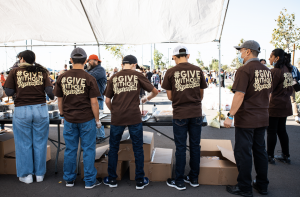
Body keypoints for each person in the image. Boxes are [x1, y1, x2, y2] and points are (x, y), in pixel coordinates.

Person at [224, 40, 271, 196]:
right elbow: (268, 95)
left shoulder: (244, 70)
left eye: (241, 50)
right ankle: (262, 185)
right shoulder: (266, 70)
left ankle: (244, 187)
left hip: (247, 119)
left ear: (248, 52)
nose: (240, 53)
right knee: (260, 151)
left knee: (243, 153)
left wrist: (230, 116)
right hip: (262, 117)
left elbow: (239, 94)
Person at [104, 55, 158, 189]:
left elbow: (106, 101)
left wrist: (114, 111)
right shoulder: (137, 75)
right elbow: (155, 91)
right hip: (134, 116)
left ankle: (112, 179)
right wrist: (146, 98)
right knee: (138, 148)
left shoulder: (114, 77)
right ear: (134, 64)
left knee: (114, 148)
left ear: (123, 64)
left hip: (117, 117)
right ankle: (139, 180)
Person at [53, 48, 102, 189]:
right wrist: (97, 120)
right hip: (87, 119)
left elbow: (59, 100)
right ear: (86, 61)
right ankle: (89, 181)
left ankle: (69, 179)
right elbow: (94, 102)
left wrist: (62, 114)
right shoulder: (89, 78)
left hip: (69, 119)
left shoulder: (62, 77)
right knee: (88, 149)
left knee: (70, 149)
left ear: (71, 60)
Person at [4, 50, 54, 184]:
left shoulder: (15, 71)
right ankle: (39, 174)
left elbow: (8, 91)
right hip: (40, 109)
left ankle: (26, 175)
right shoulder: (42, 71)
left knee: (23, 143)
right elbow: (50, 92)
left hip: (22, 110)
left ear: (22, 59)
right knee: (40, 142)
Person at [162, 46, 207, 190]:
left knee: (180, 147)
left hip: (180, 113)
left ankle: (179, 180)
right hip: (196, 113)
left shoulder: (170, 72)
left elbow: (169, 96)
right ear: (188, 55)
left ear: (174, 56)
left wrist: (181, 97)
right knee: (195, 146)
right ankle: (194, 178)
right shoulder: (197, 70)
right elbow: (201, 95)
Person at [267, 49, 293, 165]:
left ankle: (269, 155)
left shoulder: (275, 71)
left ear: (277, 58)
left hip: (275, 105)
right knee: (282, 130)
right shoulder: (288, 70)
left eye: (271, 56)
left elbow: (269, 89)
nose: (269, 59)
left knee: (272, 131)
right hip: (285, 104)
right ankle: (286, 155)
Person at [86, 54, 107, 143]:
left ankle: (100, 136)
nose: (88, 63)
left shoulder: (100, 69)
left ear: (95, 61)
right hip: (90, 97)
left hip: (98, 97)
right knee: (92, 117)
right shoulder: (89, 70)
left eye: (89, 61)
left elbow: (89, 77)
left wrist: (83, 72)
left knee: (98, 117)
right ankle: (96, 135)